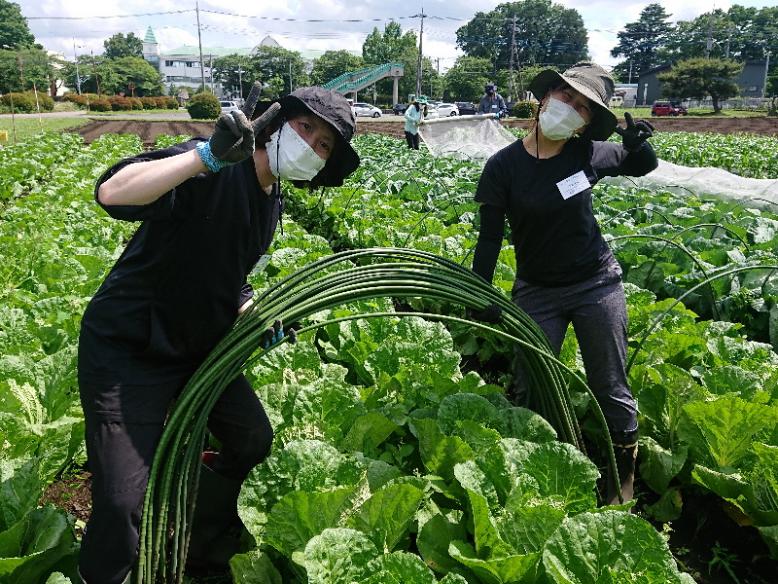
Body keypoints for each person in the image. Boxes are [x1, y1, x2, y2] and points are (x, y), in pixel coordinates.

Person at [77, 85, 360, 584]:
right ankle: (110, 572)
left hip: (196, 349)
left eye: (323, 146)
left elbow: (232, 277)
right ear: (277, 122)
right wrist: (202, 156)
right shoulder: (217, 166)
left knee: (252, 438)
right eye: (306, 127)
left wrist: (256, 313)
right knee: (123, 500)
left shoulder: (271, 201)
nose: (311, 145)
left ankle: (195, 541)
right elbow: (113, 192)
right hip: (130, 349)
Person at [469, 62, 657, 505]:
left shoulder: (587, 153)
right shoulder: (503, 167)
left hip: (596, 282)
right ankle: (537, 469)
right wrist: (482, 293)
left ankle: (621, 476)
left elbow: (640, 165)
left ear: (588, 122)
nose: (570, 109)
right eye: (565, 97)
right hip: (537, 292)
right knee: (532, 383)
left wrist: (640, 146)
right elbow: (490, 238)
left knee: (609, 382)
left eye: (582, 107)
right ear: (545, 97)